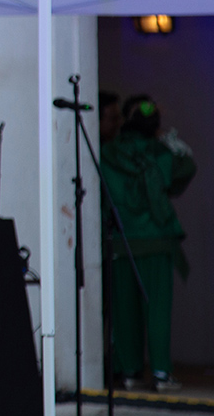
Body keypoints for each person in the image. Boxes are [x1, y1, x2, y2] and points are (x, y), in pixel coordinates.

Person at [100, 94, 196, 392]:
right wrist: (166, 140)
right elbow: (185, 170)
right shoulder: (160, 152)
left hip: (121, 241)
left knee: (124, 310)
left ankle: (129, 372)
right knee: (156, 310)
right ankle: (160, 373)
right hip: (155, 242)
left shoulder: (108, 152)